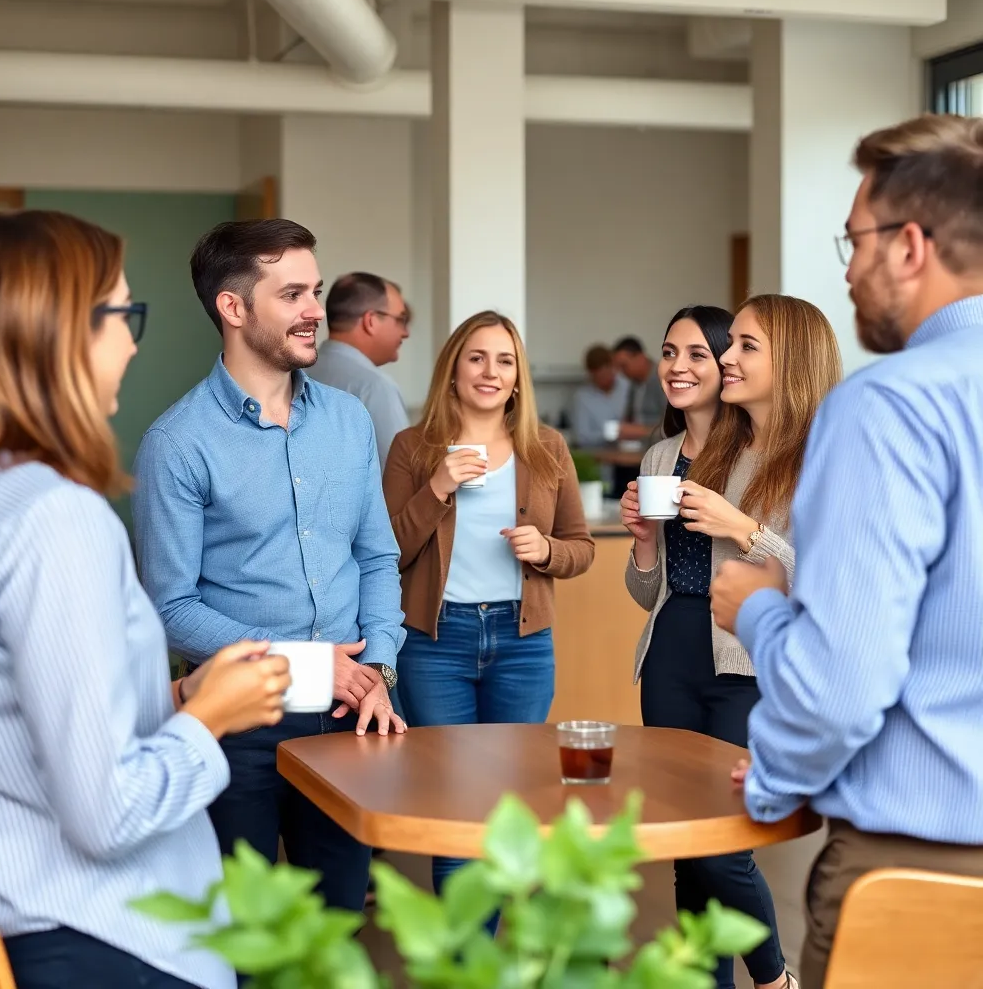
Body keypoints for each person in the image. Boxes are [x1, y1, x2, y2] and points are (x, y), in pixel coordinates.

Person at [0, 209, 293, 989]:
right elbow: (109, 813)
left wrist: (177, 695)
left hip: (3, 924)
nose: (133, 342)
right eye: (122, 313)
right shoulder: (55, 517)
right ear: (55, 332)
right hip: (106, 941)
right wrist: (211, 719)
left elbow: (0, 718)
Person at [710, 114, 983, 989]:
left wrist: (754, 605)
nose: (848, 267)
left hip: (927, 875)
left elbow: (841, 686)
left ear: (910, 246)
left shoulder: (888, 407)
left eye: (856, 239)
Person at [132, 219, 406, 917]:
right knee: (248, 938)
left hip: (353, 716)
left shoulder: (347, 421)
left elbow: (375, 554)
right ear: (233, 308)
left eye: (315, 290)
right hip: (242, 722)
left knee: (339, 919)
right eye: (292, 294)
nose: (315, 310)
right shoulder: (178, 442)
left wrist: (376, 668)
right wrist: (313, 663)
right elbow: (172, 604)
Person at [622, 296, 842, 989]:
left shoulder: (798, 456)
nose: (718, 361)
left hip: (746, 660)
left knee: (725, 844)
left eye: (738, 347)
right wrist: (643, 544)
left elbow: (821, 577)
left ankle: (774, 978)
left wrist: (739, 526)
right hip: (671, 655)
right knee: (690, 846)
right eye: (730, 345)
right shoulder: (686, 450)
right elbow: (647, 589)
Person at [382, 309, 595, 907]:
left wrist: (547, 550)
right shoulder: (413, 448)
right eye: (476, 357)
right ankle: (469, 963)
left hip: (522, 644)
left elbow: (581, 549)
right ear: (453, 370)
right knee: (457, 806)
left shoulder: (547, 449)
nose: (490, 371)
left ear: (519, 378)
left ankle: (510, 957)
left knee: (515, 802)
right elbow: (388, 552)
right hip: (435, 644)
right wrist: (438, 487)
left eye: (505, 361)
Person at [306, 271, 411, 472]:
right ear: (370, 321)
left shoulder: (297, 373)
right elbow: (401, 476)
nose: (405, 332)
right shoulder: (375, 388)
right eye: (400, 319)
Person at [570, 343, 629, 447]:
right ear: (591, 374)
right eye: (600, 376)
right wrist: (613, 434)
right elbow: (581, 437)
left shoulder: (627, 387)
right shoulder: (582, 398)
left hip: (633, 454)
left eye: (608, 372)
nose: (606, 378)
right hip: (600, 459)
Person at [613, 334, 667, 438]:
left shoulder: (662, 379)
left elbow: (674, 428)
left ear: (640, 358)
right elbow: (629, 417)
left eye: (624, 365)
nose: (621, 372)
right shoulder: (634, 383)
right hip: (636, 447)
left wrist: (641, 431)